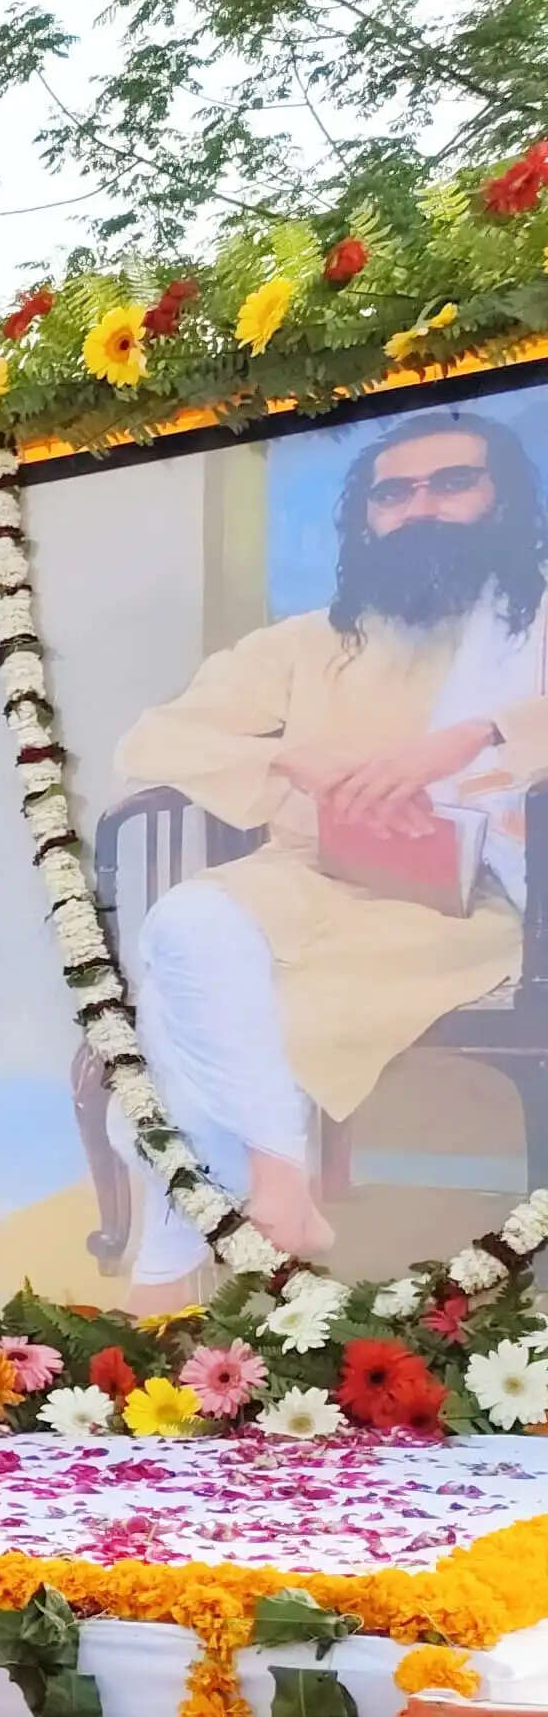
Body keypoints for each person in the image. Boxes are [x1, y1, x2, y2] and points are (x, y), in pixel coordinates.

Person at [116, 407, 548, 1284]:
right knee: (186, 921)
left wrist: (477, 735)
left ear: (502, 500)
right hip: (305, 879)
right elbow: (154, 740)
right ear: (366, 519)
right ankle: (284, 1181)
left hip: (461, 903)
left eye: (452, 483)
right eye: (395, 494)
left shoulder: (529, 629)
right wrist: (288, 758)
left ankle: (181, 1245)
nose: (420, 507)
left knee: (171, 998)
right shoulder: (307, 644)